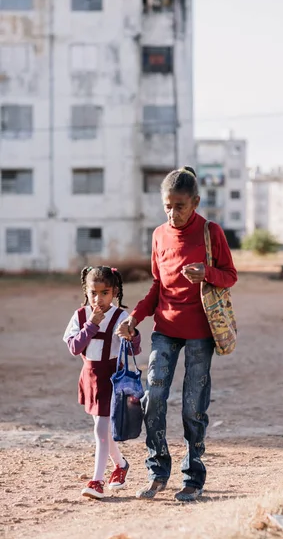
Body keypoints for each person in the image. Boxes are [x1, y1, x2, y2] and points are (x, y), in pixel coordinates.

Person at [117, 166, 237, 502]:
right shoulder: (159, 235)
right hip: (165, 330)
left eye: (180, 206)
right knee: (152, 399)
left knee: (191, 407)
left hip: (201, 332)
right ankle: (157, 470)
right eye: (167, 206)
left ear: (195, 202)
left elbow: (230, 275)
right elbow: (158, 286)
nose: (173, 213)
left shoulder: (211, 233)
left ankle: (193, 477)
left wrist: (207, 273)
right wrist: (135, 316)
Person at [63, 265, 141, 500]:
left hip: (112, 378)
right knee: (103, 427)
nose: (98, 298)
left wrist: (132, 335)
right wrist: (92, 324)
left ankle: (97, 481)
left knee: (100, 429)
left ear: (115, 291)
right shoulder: (80, 316)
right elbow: (75, 348)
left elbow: (135, 349)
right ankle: (121, 464)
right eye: (93, 293)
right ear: (86, 291)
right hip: (90, 376)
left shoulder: (121, 317)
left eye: (104, 293)